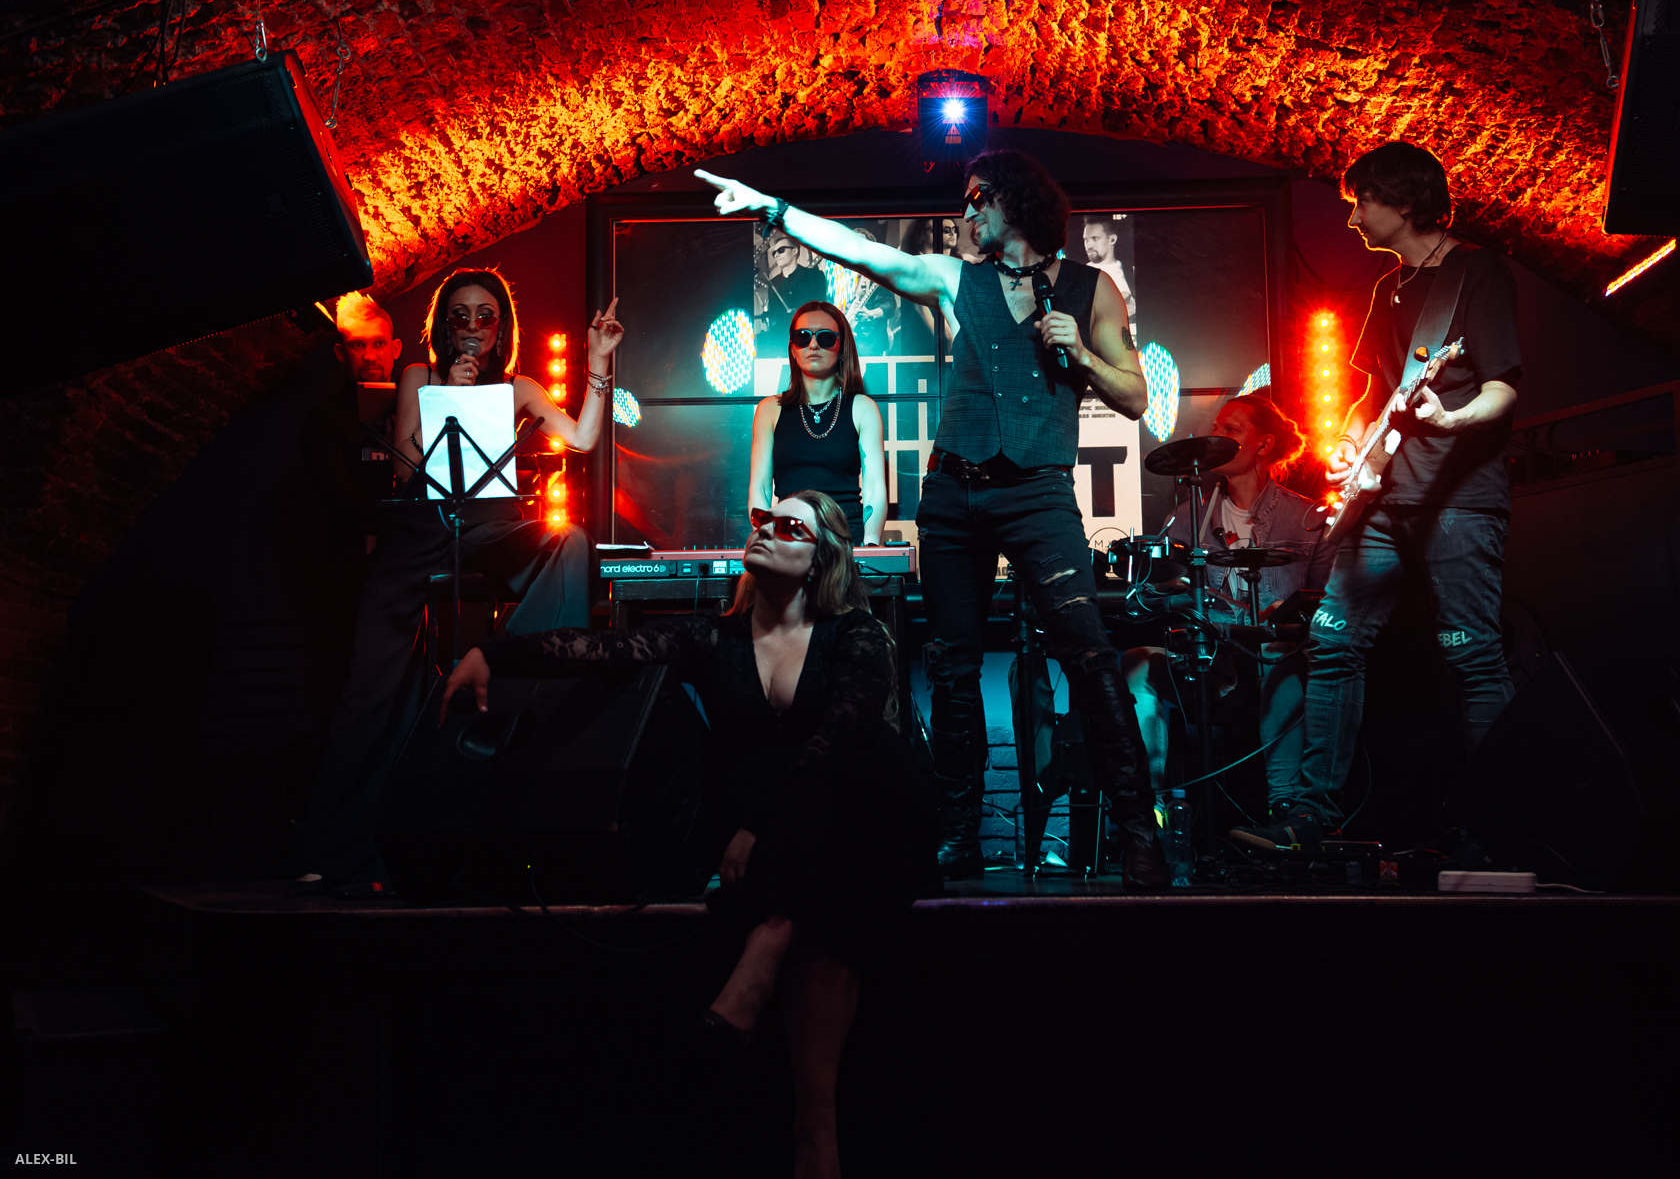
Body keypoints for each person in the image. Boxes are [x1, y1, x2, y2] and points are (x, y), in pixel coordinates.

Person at [697, 150, 1172, 890]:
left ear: (1013, 200)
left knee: (1086, 652)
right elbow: (864, 253)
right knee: (952, 666)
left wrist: (1081, 353)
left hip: (1038, 493)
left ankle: (1140, 834)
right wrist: (776, 211)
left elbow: (1136, 397)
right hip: (953, 494)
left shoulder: (1091, 289)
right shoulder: (957, 279)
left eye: (977, 197)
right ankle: (958, 835)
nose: (966, 210)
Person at [442, 492, 937, 1179]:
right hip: (809, 846)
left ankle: (760, 966)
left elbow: (843, 734)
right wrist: (489, 653)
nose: (765, 531)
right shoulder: (714, 637)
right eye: (762, 520)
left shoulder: (855, 633)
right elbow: (601, 648)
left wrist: (758, 827)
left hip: (858, 807)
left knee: (846, 769)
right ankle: (815, 1133)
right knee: (838, 885)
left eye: (789, 527)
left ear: (821, 557)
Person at [296, 268, 623, 893]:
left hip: (490, 525)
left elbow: (581, 438)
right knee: (369, 693)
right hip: (420, 527)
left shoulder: (520, 387)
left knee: (572, 544)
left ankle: (509, 662)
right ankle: (333, 849)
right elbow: (407, 469)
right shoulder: (417, 377)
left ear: (501, 329)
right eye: (460, 315)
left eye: (485, 316)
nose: (473, 327)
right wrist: (448, 393)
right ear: (443, 327)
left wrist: (599, 362)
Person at [1302, 140, 1524, 857]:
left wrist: (1451, 420)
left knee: (1473, 659)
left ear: (1402, 201)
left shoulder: (1476, 272)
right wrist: (1349, 440)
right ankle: (1310, 819)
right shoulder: (1388, 288)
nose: (1352, 218)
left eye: (1361, 202)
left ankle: (1495, 829)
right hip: (1385, 503)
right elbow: (1374, 390)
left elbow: (1503, 388)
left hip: (1458, 499)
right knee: (1331, 644)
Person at [1121, 394, 1332, 833]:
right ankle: (1150, 812)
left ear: (1264, 444)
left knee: (1276, 649)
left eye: (1230, 430)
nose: (1216, 438)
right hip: (1212, 659)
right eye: (1215, 428)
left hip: (1277, 661)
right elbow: (1155, 594)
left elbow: (1329, 604)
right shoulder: (1187, 518)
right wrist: (1173, 595)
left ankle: (1286, 809)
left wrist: (1288, 617)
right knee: (1136, 662)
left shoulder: (1307, 518)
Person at [749, 301, 887, 545]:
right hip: (787, 536)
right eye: (802, 337)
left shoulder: (863, 408)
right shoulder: (769, 409)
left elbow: (875, 487)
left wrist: (871, 544)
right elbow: (759, 489)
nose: (813, 344)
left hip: (845, 535)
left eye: (825, 337)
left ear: (842, 347)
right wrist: (766, 540)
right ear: (792, 348)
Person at [758, 230, 832, 357]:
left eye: (781, 250)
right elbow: (774, 314)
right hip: (783, 344)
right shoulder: (773, 283)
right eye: (774, 253)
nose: (776, 255)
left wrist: (799, 314)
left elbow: (822, 310)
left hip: (810, 340)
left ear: (794, 251)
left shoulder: (815, 276)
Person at [333, 291, 403, 383]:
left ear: (395, 349)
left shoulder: (417, 391)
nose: (370, 357)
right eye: (358, 345)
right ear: (340, 353)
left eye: (379, 344)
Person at [1080, 217, 1136, 329]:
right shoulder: (1081, 276)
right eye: (1086, 240)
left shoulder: (1130, 272)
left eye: (1095, 238)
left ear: (1112, 240)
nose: (1089, 245)